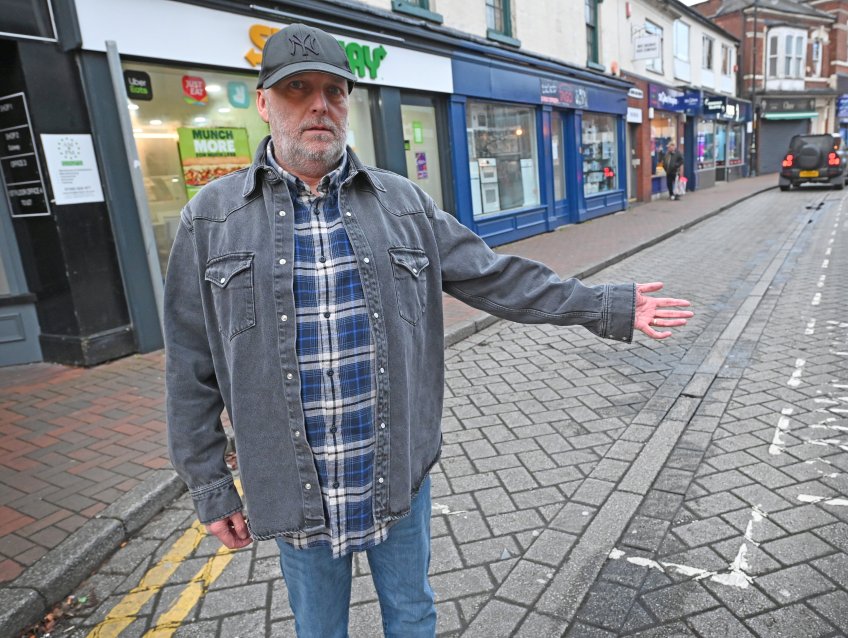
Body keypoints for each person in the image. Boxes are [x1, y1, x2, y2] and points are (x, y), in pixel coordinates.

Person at [163, 23, 693, 638]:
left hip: (395, 474)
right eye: (296, 89)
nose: (318, 105)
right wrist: (210, 487)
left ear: (348, 103)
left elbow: (498, 278)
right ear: (263, 102)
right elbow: (188, 363)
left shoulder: (402, 204)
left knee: (412, 613)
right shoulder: (213, 217)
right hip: (292, 484)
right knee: (318, 626)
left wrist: (608, 305)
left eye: (335, 91)